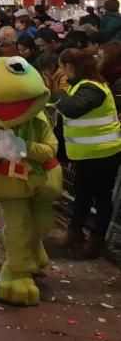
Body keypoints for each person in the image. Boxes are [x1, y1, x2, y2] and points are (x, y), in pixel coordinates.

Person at [50, 48, 121, 258]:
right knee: (82, 196)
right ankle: (75, 232)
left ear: (69, 67)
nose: (61, 72)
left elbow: (73, 109)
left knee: (101, 198)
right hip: (85, 154)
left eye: (62, 67)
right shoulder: (81, 86)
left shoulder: (93, 88)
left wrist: (56, 94)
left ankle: (97, 240)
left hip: (103, 154)